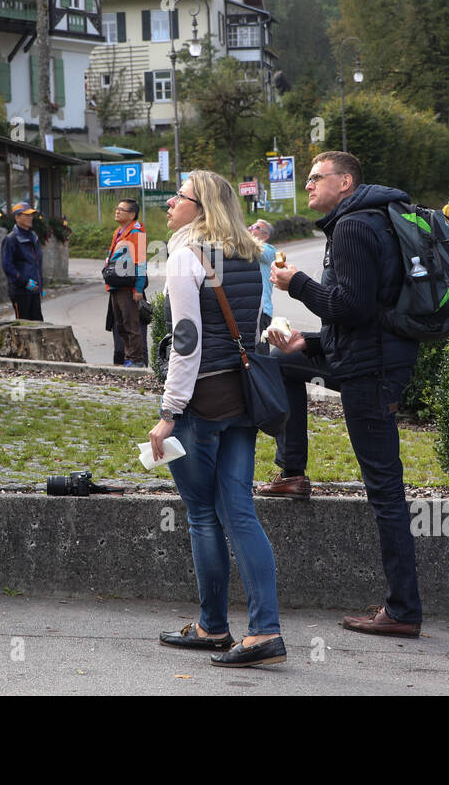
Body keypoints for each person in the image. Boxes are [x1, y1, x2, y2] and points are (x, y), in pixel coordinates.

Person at [260, 151, 424, 638]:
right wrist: (306, 343)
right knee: (281, 362)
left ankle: (402, 610)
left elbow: (348, 307)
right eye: (308, 178)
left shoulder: (354, 226)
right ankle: (292, 472)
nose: (308, 185)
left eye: (317, 178)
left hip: (370, 371)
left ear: (346, 181)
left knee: (385, 490)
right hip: (368, 356)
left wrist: (297, 284)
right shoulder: (368, 220)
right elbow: (361, 313)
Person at [149, 171, 286, 668]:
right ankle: (264, 630)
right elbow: (252, 329)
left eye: (179, 196)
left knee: (203, 514)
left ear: (200, 206)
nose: (170, 202)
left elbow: (186, 345)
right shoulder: (251, 254)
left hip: (199, 403)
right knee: (240, 511)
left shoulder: (186, 256)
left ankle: (212, 626)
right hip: (243, 401)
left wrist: (168, 414)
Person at [104, 197, 147, 367]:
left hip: (128, 285)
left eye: (122, 209)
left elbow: (141, 263)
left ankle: (136, 361)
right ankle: (129, 357)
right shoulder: (118, 232)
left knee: (131, 325)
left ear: (132, 214)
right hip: (115, 283)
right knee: (120, 325)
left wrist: (138, 288)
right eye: (117, 208)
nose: (117, 211)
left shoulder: (137, 233)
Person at [1, 202, 44, 321]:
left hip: (34, 291)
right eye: (26, 215)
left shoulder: (33, 237)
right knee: (23, 328)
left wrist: (40, 288)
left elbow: (37, 265)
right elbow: (7, 266)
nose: (30, 218)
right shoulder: (11, 239)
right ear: (17, 217)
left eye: (31, 215)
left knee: (38, 325)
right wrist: (25, 282)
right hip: (20, 292)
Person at [248, 219, 278, 342]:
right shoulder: (246, 249)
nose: (251, 228)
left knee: (260, 350)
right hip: (250, 308)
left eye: (256, 227)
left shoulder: (269, 250)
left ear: (266, 236)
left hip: (262, 309)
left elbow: (250, 246)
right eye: (251, 225)